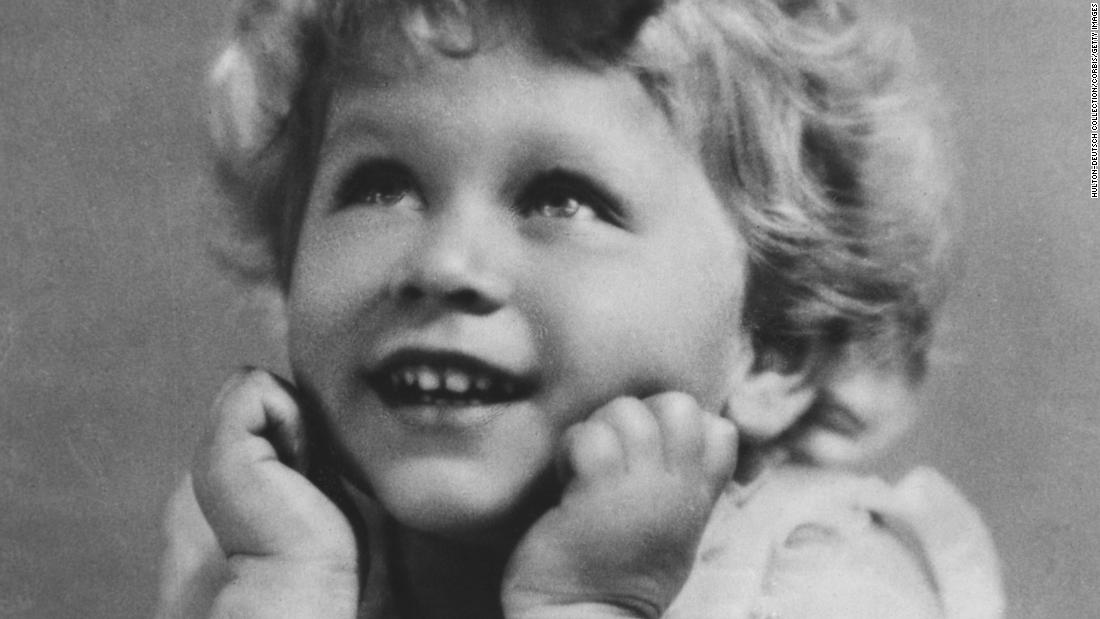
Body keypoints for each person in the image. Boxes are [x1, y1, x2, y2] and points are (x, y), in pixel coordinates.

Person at [156, 0, 1004, 616]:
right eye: (381, 184)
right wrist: (290, 594)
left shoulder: (824, 583)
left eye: (560, 199)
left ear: (775, 341)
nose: (443, 263)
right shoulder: (269, 539)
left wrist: (593, 608)